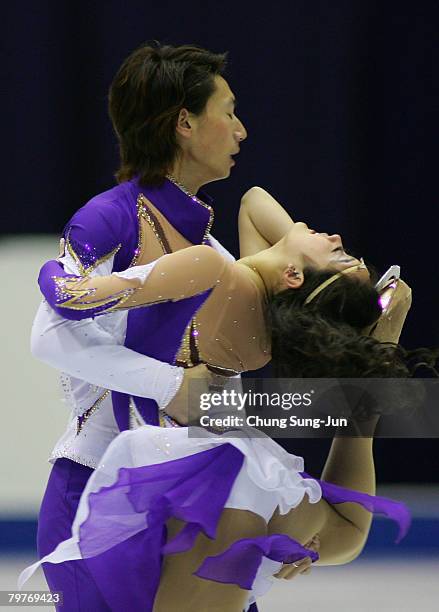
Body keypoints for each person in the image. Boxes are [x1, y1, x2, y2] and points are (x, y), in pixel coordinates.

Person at [21, 186, 417, 611]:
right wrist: (365, 325)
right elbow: (255, 204)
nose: (338, 238)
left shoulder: (213, 269)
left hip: (134, 481)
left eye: (341, 254)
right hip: (193, 463)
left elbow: (63, 306)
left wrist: (61, 266)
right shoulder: (261, 332)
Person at [30, 41, 248, 610]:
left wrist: (272, 506)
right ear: (184, 123)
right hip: (96, 492)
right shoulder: (111, 217)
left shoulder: (209, 247)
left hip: (190, 492)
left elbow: (221, 394)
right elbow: (48, 334)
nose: (240, 129)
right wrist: (173, 386)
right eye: (228, 112)